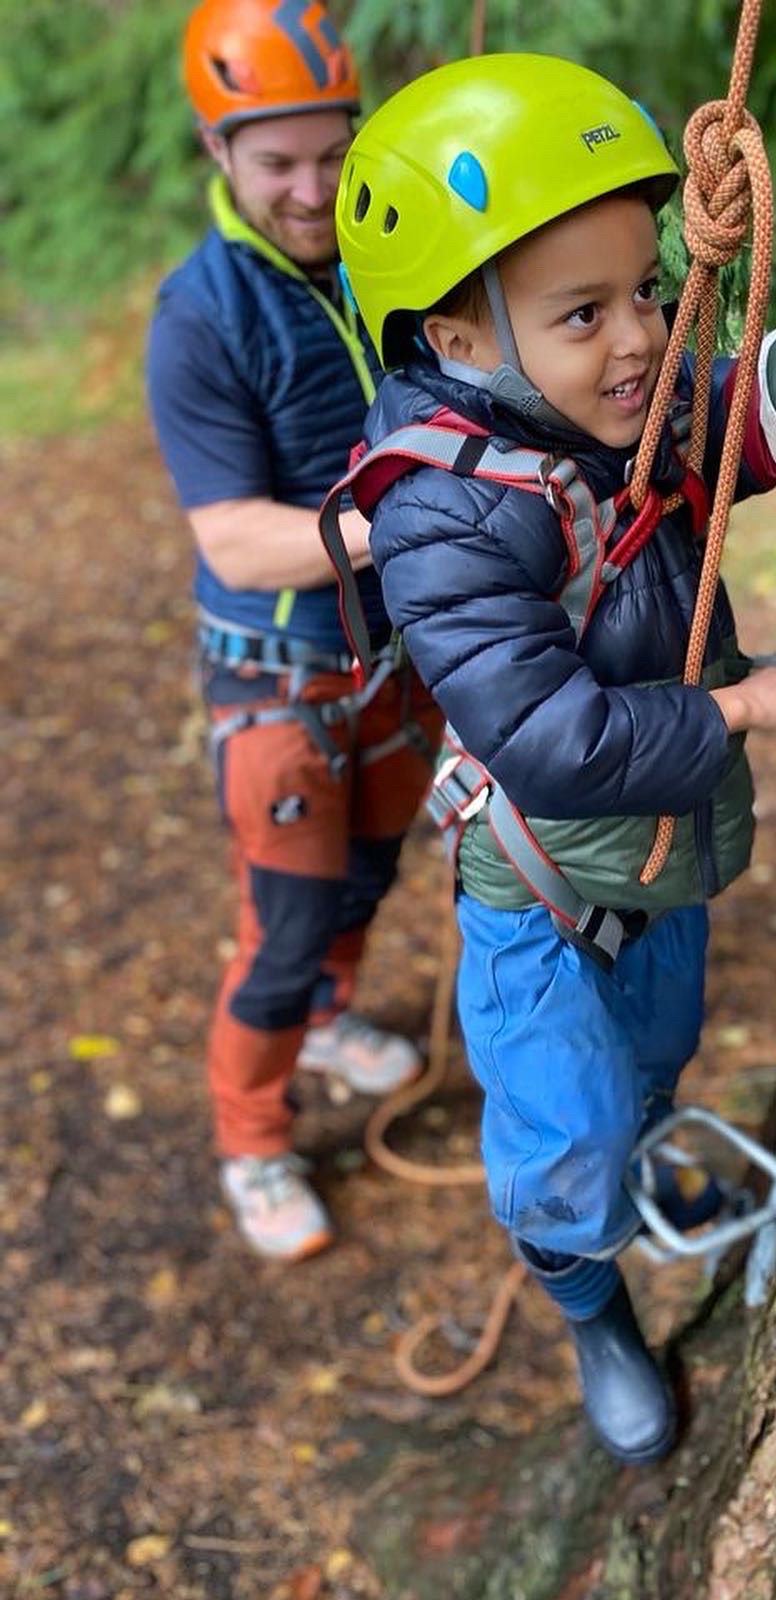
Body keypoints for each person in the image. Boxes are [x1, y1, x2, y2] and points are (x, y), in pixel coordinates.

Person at [332, 53, 776, 1460]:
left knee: (656, 1063)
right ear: (464, 342)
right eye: (584, 311)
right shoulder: (441, 517)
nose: (643, 336)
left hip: (660, 867)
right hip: (539, 893)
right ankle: (594, 1304)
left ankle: (636, 1158)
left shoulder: (626, 425)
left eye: (648, 292)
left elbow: (768, 408)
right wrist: (732, 711)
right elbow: (540, 735)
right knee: (568, 1153)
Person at [145, 0, 442, 1263]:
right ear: (220, 154)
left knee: (366, 883)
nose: (312, 188)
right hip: (278, 673)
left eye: (333, 152)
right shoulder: (201, 313)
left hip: (397, 658)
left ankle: (329, 1017)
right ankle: (251, 1137)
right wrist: (424, 523)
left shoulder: (390, 262)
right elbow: (232, 538)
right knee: (282, 929)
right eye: (278, 162)